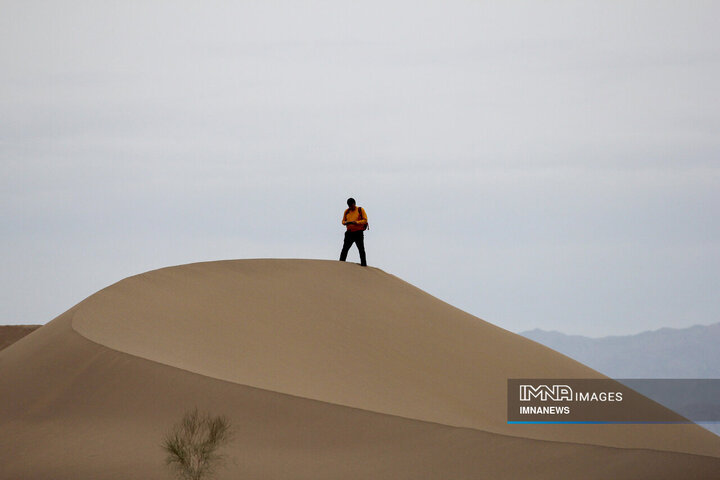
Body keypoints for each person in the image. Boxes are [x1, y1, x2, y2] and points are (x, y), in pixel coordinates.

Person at [339, 197, 368, 266]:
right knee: (345, 249)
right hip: (349, 233)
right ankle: (340, 264)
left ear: (354, 204)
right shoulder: (347, 211)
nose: (350, 207)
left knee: (361, 249)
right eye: (349, 206)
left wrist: (356, 222)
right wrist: (346, 223)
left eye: (351, 205)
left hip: (358, 233)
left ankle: (364, 265)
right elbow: (343, 221)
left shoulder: (360, 210)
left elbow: (365, 220)